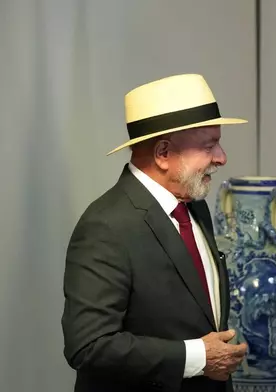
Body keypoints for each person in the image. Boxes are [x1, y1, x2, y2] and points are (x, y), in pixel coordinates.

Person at [61, 74, 249, 392]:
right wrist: (197, 357)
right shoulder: (105, 226)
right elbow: (88, 346)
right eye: (209, 145)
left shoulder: (194, 206)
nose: (221, 157)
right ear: (163, 153)